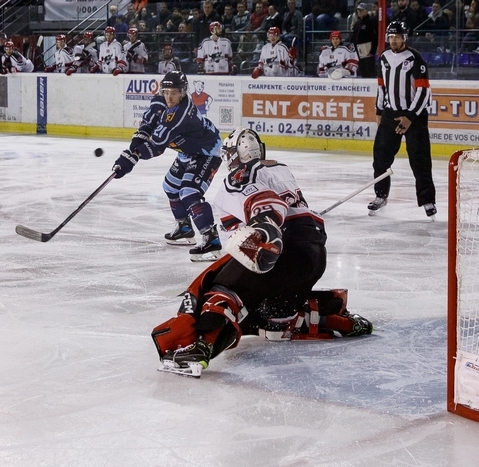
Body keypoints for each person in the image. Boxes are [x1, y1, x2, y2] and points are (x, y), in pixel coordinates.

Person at [152, 128, 373, 377]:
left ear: (236, 154)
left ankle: (200, 348)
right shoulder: (280, 169)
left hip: (280, 250)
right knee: (272, 315)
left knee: (219, 289)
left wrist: (265, 230)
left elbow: (266, 206)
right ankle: (335, 318)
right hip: (314, 254)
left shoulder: (238, 177)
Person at [112, 71, 224, 261]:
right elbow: (149, 122)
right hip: (186, 151)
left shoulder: (181, 115)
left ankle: (211, 239)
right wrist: (134, 145)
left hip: (206, 151)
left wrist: (131, 158)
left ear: (183, 92)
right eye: (166, 92)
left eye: (174, 92)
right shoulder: (160, 100)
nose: (169, 97)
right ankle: (184, 228)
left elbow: (156, 146)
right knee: (170, 187)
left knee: (189, 192)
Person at [370, 21, 436, 219]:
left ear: (404, 38)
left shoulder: (415, 58)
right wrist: (380, 112)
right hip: (390, 114)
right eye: (390, 37)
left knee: (420, 160)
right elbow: (381, 87)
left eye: (397, 36)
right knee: (380, 158)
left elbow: (424, 91)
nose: (393, 40)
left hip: (414, 117)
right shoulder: (384, 57)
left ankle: (427, 201)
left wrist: (409, 117)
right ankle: (381, 195)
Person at [352, 3, 378, 78]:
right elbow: (354, 36)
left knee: (369, 69)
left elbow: (375, 37)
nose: (359, 12)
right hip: (358, 49)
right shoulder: (357, 23)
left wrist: (372, 51)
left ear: (366, 11)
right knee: (362, 68)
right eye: (358, 11)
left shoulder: (371, 21)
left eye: (361, 10)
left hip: (367, 48)